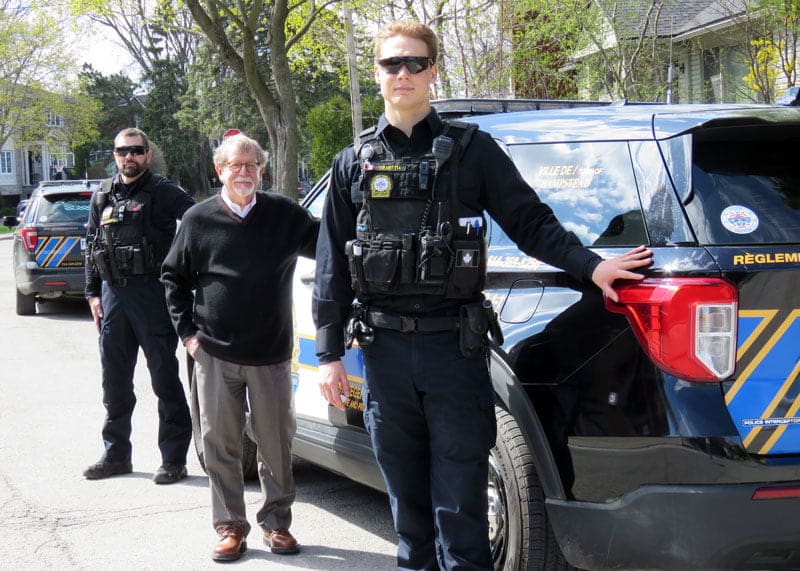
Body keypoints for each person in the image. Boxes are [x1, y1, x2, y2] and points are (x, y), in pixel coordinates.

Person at [313, 20, 654, 570]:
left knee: (461, 501)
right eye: (390, 64)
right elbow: (331, 264)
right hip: (383, 354)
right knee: (405, 501)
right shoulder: (352, 163)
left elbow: (531, 222)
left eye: (414, 63)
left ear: (433, 72)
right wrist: (329, 354)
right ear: (376, 74)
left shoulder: (473, 151)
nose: (402, 74)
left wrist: (593, 267)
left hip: (454, 350)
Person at [161, 133, 319, 562]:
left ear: (262, 171)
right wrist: (189, 336)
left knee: (276, 444)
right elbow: (172, 279)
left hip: (270, 353)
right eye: (235, 165)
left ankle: (277, 524)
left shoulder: (285, 216)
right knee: (220, 444)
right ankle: (230, 527)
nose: (244, 172)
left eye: (252, 165)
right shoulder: (198, 220)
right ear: (220, 171)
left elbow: (328, 246)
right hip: (214, 353)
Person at [84, 127, 194, 485]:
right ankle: (116, 455)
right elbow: (90, 243)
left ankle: (174, 459)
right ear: (114, 155)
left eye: (135, 150)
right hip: (113, 295)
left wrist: (184, 272)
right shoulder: (103, 194)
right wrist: (92, 293)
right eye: (122, 151)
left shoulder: (163, 192)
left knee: (164, 379)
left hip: (153, 295)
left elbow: (197, 222)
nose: (128, 157)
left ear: (147, 154)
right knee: (114, 381)